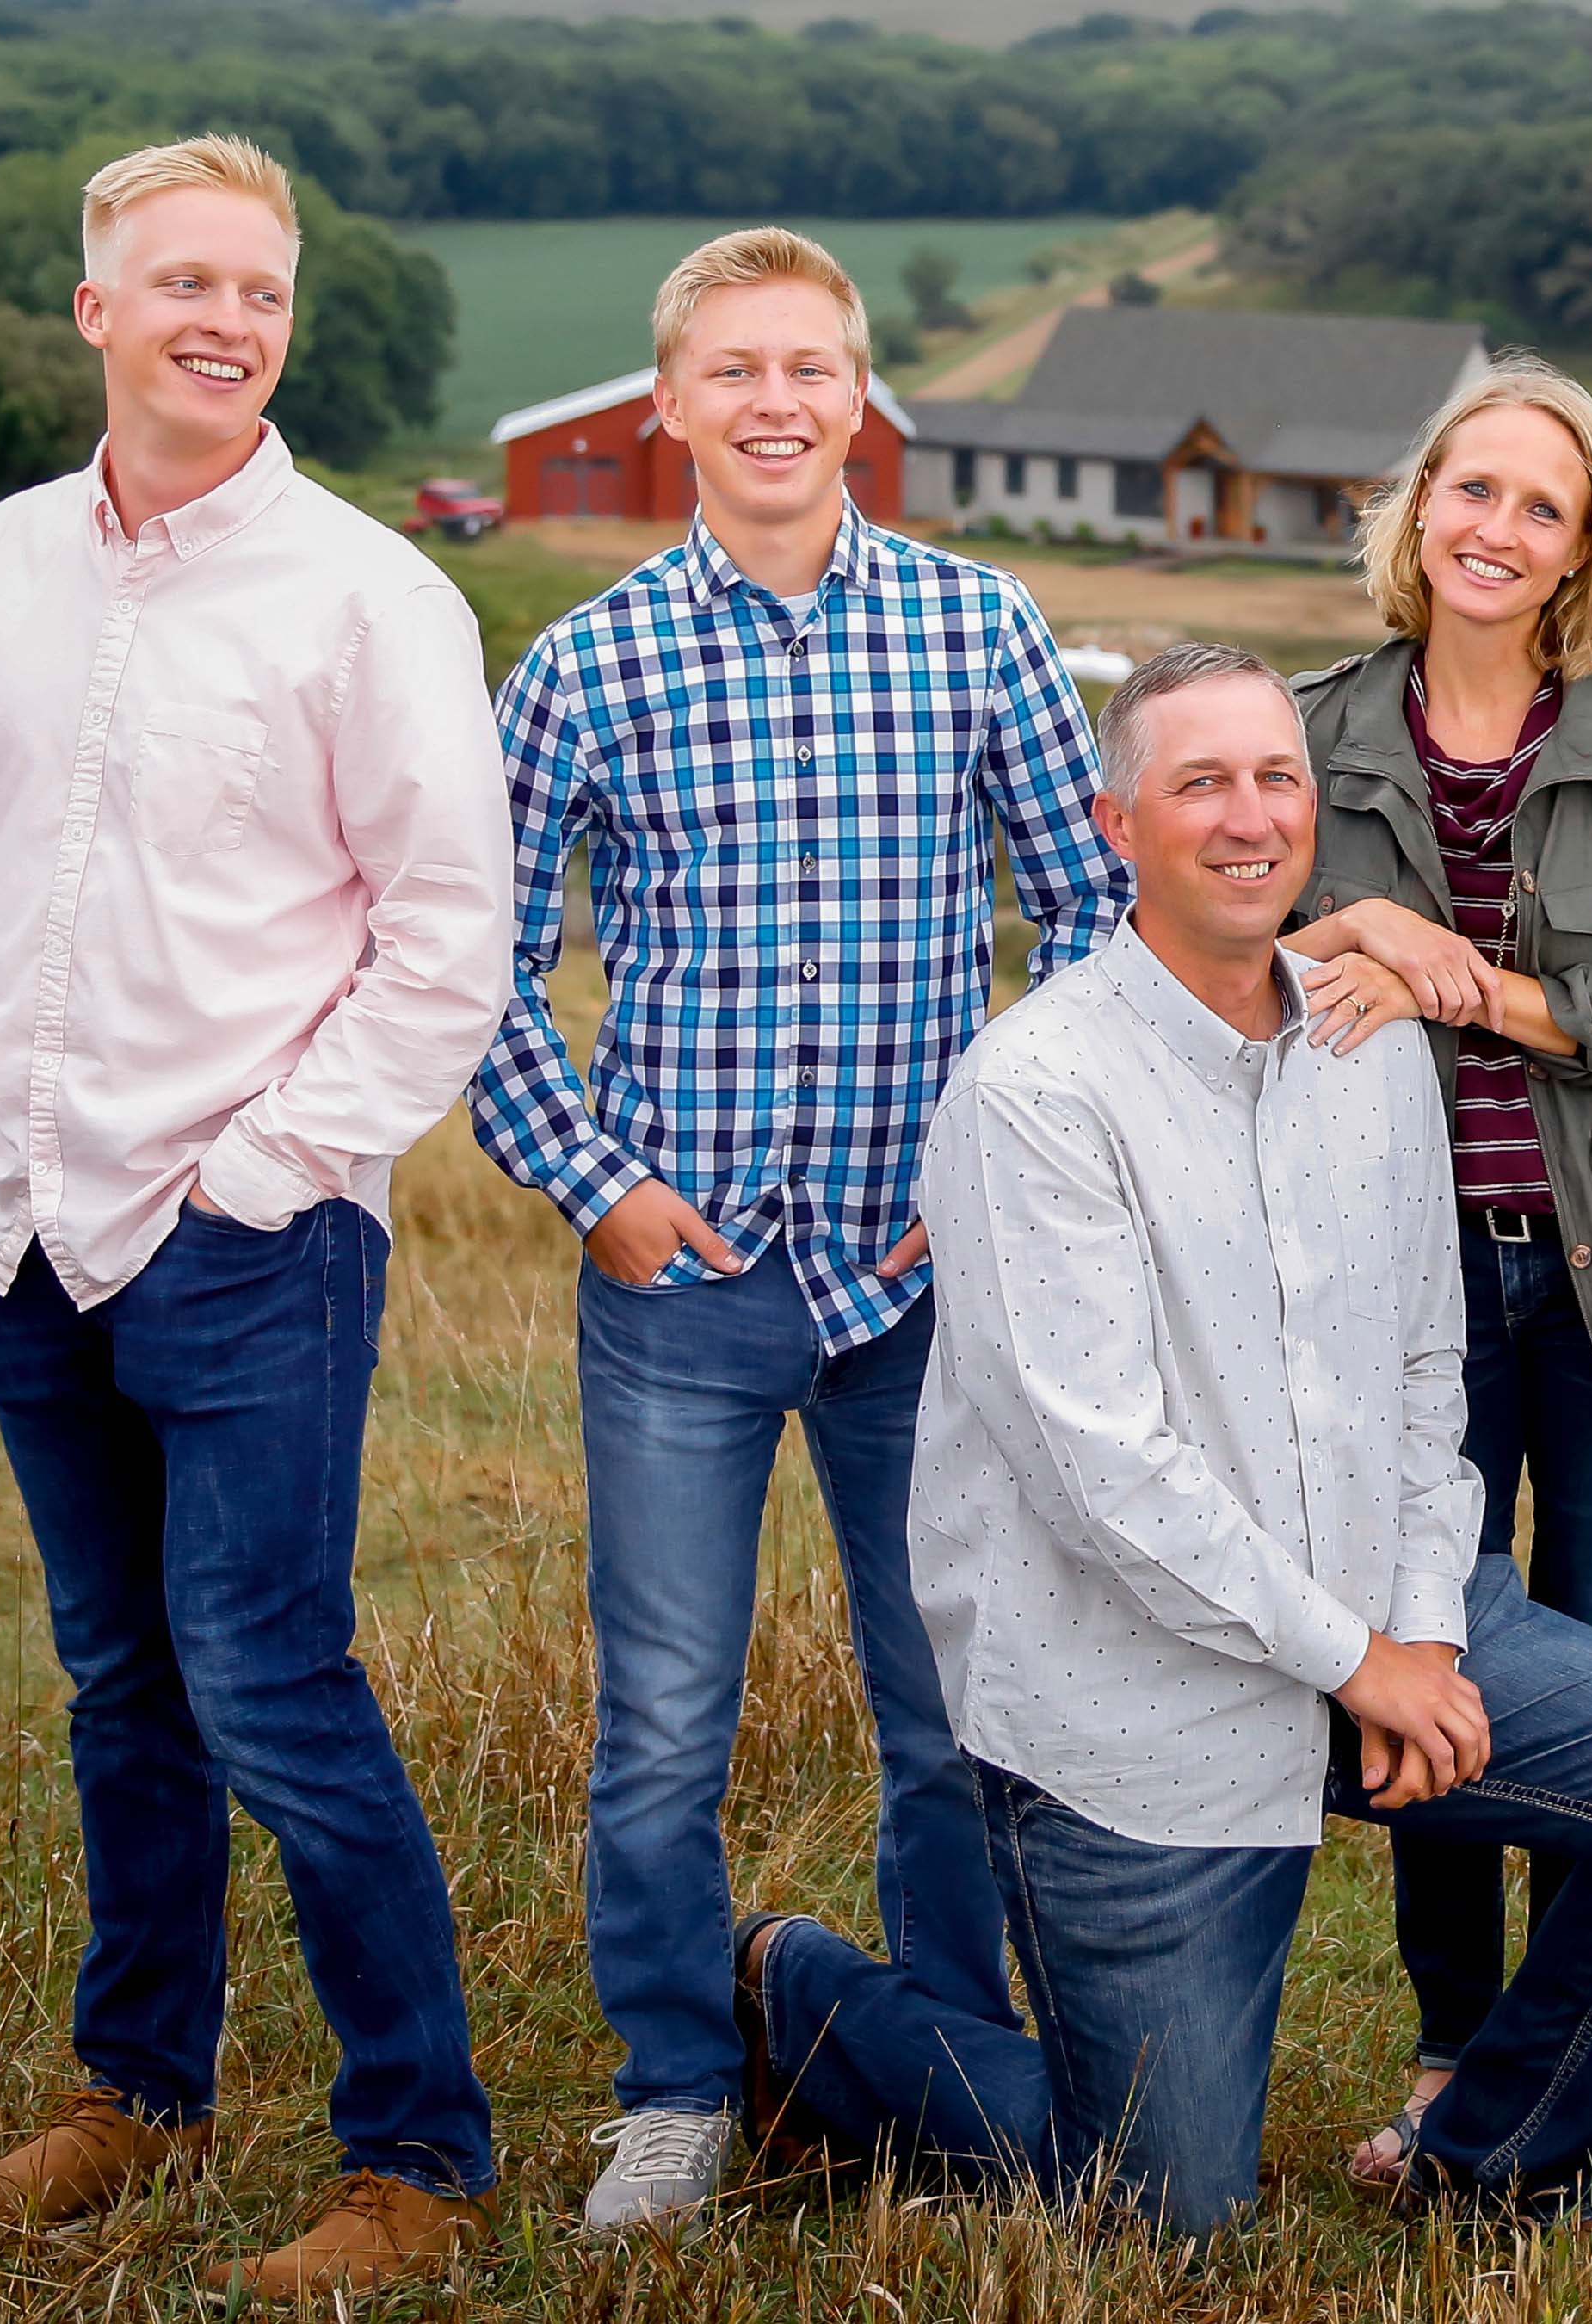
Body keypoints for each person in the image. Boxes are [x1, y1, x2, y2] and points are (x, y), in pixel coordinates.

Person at [729, 643, 1592, 2241]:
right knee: (1159, 2210)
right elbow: (1106, 1478)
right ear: (1115, 827)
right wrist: (1352, 1661)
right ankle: (800, 1994)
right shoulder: (1037, 1091)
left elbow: (1430, 1366)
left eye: (1279, 777)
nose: (1250, 818)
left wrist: (1428, 1627)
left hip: (1389, 1611)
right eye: (1201, 783)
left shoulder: (1365, 1048)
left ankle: (1504, 2160)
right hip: (1137, 1698)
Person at [0, 136, 512, 2296]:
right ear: (97, 310)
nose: (224, 320)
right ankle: (133, 2098)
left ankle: (414, 2159)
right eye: (182, 284)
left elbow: (448, 943)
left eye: (259, 289)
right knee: (118, 1677)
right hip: (16, 1225)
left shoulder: (365, 591)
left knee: (272, 1683)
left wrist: (260, 1171)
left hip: (249, 1235)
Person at [469, 227, 1126, 2234]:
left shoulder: (976, 627)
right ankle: (674, 2081)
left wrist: (987, 1176)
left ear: (861, 401)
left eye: (811, 368)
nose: (774, 401)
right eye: (733, 370)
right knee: (665, 1704)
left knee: (947, 1704)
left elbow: (1092, 921)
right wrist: (601, 1190)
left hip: (920, 1280)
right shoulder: (587, 664)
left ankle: (932, 2059)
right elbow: (480, 970)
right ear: (669, 404)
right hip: (687, 1273)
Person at [1277, 355, 1592, 2189]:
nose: (1496, 528)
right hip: (1398, 1294)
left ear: (1580, 552)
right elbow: (1229, 960)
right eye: (1469, 490)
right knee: (1430, 1660)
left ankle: (1575, 2099)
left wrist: (1465, 978)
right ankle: (1450, 2060)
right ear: (1417, 513)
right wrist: (1348, 930)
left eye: (1540, 507)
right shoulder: (1313, 735)